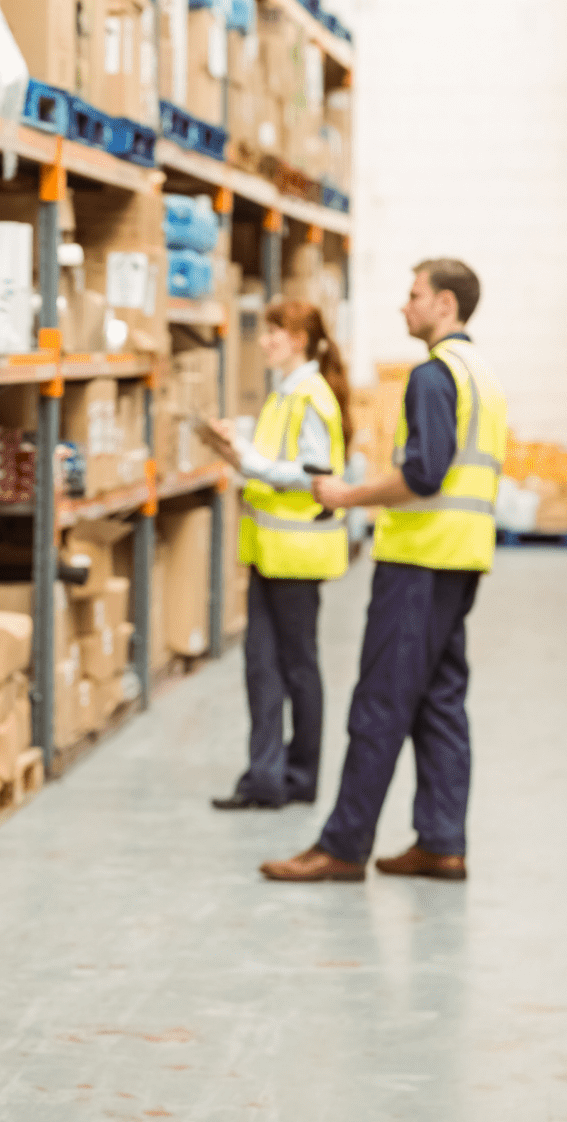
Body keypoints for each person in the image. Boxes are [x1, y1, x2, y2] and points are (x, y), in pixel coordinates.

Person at [260, 259, 506, 883]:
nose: (404, 306)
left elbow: (423, 475)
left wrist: (347, 496)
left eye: (414, 295)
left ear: (445, 304)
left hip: (418, 561)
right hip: (460, 559)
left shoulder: (433, 376)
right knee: (439, 703)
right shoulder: (483, 374)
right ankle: (443, 842)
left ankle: (342, 848)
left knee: (380, 703)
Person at [202, 301, 351, 811]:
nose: (265, 341)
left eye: (276, 333)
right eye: (266, 332)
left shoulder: (310, 396)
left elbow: (316, 472)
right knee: (260, 665)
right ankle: (265, 778)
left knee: (298, 666)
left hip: (299, 552)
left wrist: (247, 460)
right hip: (269, 550)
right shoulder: (284, 394)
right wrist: (236, 445)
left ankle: (302, 777)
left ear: (301, 340)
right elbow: (277, 460)